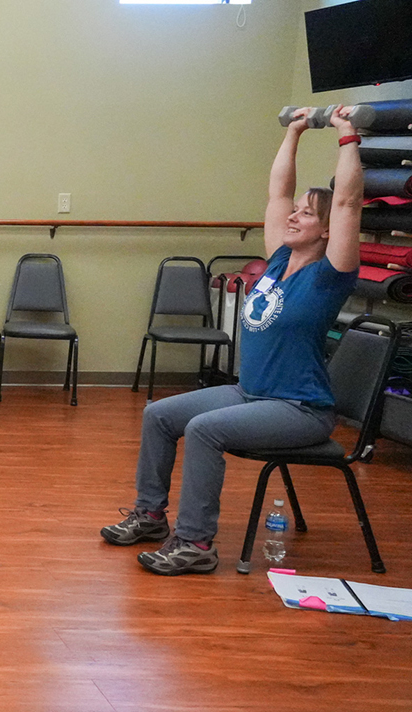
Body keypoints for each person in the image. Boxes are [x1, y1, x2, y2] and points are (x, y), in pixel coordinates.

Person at [100, 106, 363, 576]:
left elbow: (346, 203)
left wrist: (347, 135)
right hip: (251, 392)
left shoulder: (330, 276)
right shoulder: (280, 261)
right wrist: (295, 131)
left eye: (308, 213)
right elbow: (277, 191)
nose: (296, 215)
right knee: (159, 414)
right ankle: (150, 516)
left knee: (205, 429)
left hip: (300, 408)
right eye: (297, 209)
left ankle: (196, 543)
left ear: (327, 230)